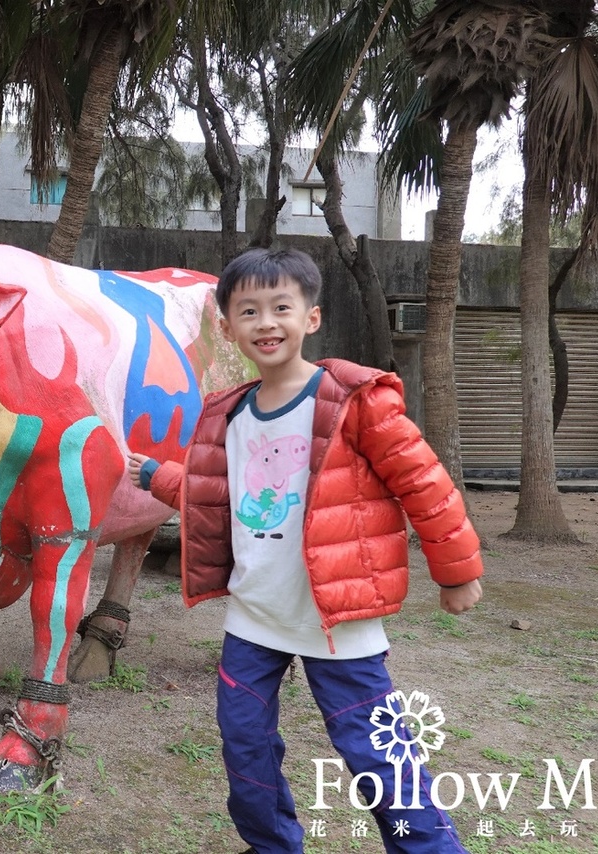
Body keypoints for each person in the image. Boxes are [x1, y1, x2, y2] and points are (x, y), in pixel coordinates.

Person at [128, 247, 483, 854]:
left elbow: (424, 483)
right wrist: (157, 476)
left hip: (334, 620)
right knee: (243, 745)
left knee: (375, 755)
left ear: (310, 319)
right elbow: (218, 492)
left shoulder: (356, 399)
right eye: (248, 311)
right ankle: (270, 845)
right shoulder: (227, 414)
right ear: (229, 327)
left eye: (280, 307)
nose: (266, 322)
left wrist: (456, 573)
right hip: (254, 617)